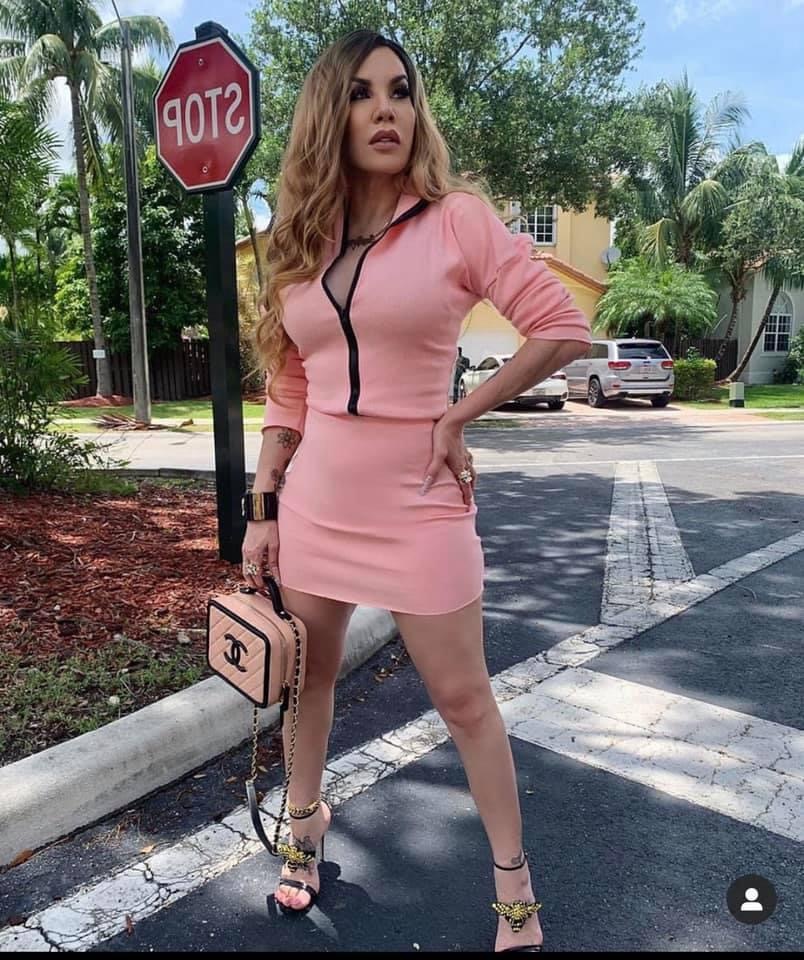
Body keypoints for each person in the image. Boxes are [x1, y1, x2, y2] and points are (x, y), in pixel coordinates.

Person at [242, 29, 591, 953]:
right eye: (362, 94)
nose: (386, 109)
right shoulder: (299, 243)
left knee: (465, 699)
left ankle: (515, 889)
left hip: (420, 500)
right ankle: (305, 826)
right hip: (317, 502)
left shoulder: (456, 220)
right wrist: (263, 508)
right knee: (309, 683)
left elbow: (561, 326)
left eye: (400, 91)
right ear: (331, 115)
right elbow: (289, 388)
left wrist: (459, 413)